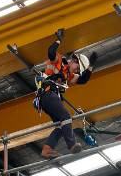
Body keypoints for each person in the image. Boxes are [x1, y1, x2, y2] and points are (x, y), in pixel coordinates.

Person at [38, 28, 98, 159]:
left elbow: (83, 80)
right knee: (65, 116)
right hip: (48, 93)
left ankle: (47, 148)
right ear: (74, 60)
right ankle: (71, 145)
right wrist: (59, 39)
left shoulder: (68, 75)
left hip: (48, 97)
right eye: (77, 68)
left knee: (61, 124)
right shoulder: (59, 61)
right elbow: (50, 52)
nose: (76, 71)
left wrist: (91, 66)